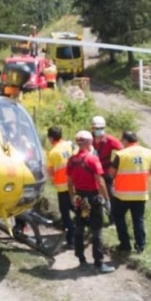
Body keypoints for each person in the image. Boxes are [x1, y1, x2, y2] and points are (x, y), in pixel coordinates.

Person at [67, 130, 115, 273]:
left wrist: (71, 197)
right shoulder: (92, 159)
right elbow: (100, 182)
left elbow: (69, 182)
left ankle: (81, 259)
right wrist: (107, 200)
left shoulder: (71, 160)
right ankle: (99, 263)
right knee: (96, 231)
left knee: (80, 229)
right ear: (89, 143)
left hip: (80, 199)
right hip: (93, 198)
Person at [109, 131, 151, 253]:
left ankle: (125, 244)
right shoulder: (148, 152)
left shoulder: (121, 154)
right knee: (138, 219)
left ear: (125, 141)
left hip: (122, 194)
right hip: (140, 193)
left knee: (118, 216)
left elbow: (111, 173)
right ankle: (140, 246)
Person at [45, 126, 75, 248]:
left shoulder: (52, 153)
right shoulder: (69, 145)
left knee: (65, 214)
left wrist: (53, 180)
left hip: (62, 188)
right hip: (74, 185)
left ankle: (70, 241)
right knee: (77, 209)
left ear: (51, 138)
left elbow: (50, 172)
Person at [90, 116, 123, 224]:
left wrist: (115, 164)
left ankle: (112, 219)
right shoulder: (89, 138)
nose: (98, 130)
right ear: (92, 128)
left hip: (105, 172)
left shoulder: (109, 140)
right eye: (96, 128)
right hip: (91, 172)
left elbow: (122, 151)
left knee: (110, 196)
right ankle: (93, 218)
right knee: (92, 196)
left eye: (100, 128)